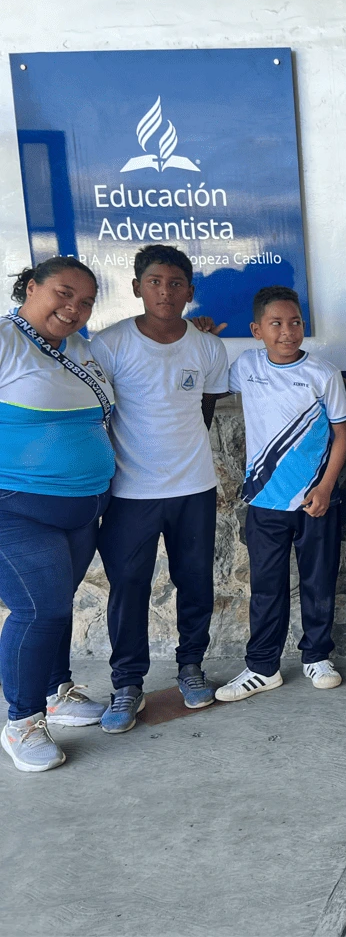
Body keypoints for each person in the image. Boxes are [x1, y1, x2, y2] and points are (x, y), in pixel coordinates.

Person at [91, 245, 229, 733]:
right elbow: (99, 413)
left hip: (194, 488)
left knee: (195, 581)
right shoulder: (108, 345)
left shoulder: (208, 347)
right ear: (136, 287)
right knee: (128, 588)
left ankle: (191, 666)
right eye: (154, 282)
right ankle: (127, 683)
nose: (165, 292)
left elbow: (205, 407)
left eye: (175, 284)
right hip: (131, 493)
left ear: (190, 291)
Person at [0, 257, 113, 772]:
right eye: (64, 293)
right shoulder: (7, 341)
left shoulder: (80, 349)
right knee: (38, 610)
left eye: (86, 301)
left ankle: (55, 693)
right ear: (31, 287)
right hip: (17, 508)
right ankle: (22, 722)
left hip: (83, 507)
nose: (74, 308)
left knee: (57, 605)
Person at [215, 287, 346, 701]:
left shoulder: (323, 373)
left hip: (315, 501)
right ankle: (263, 667)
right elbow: (206, 374)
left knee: (319, 582)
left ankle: (317, 656)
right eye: (276, 324)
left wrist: (325, 487)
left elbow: (343, 434)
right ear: (257, 330)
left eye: (295, 322)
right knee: (267, 588)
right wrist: (200, 337)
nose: (287, 331)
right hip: (265, 501)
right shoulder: (246, 366)